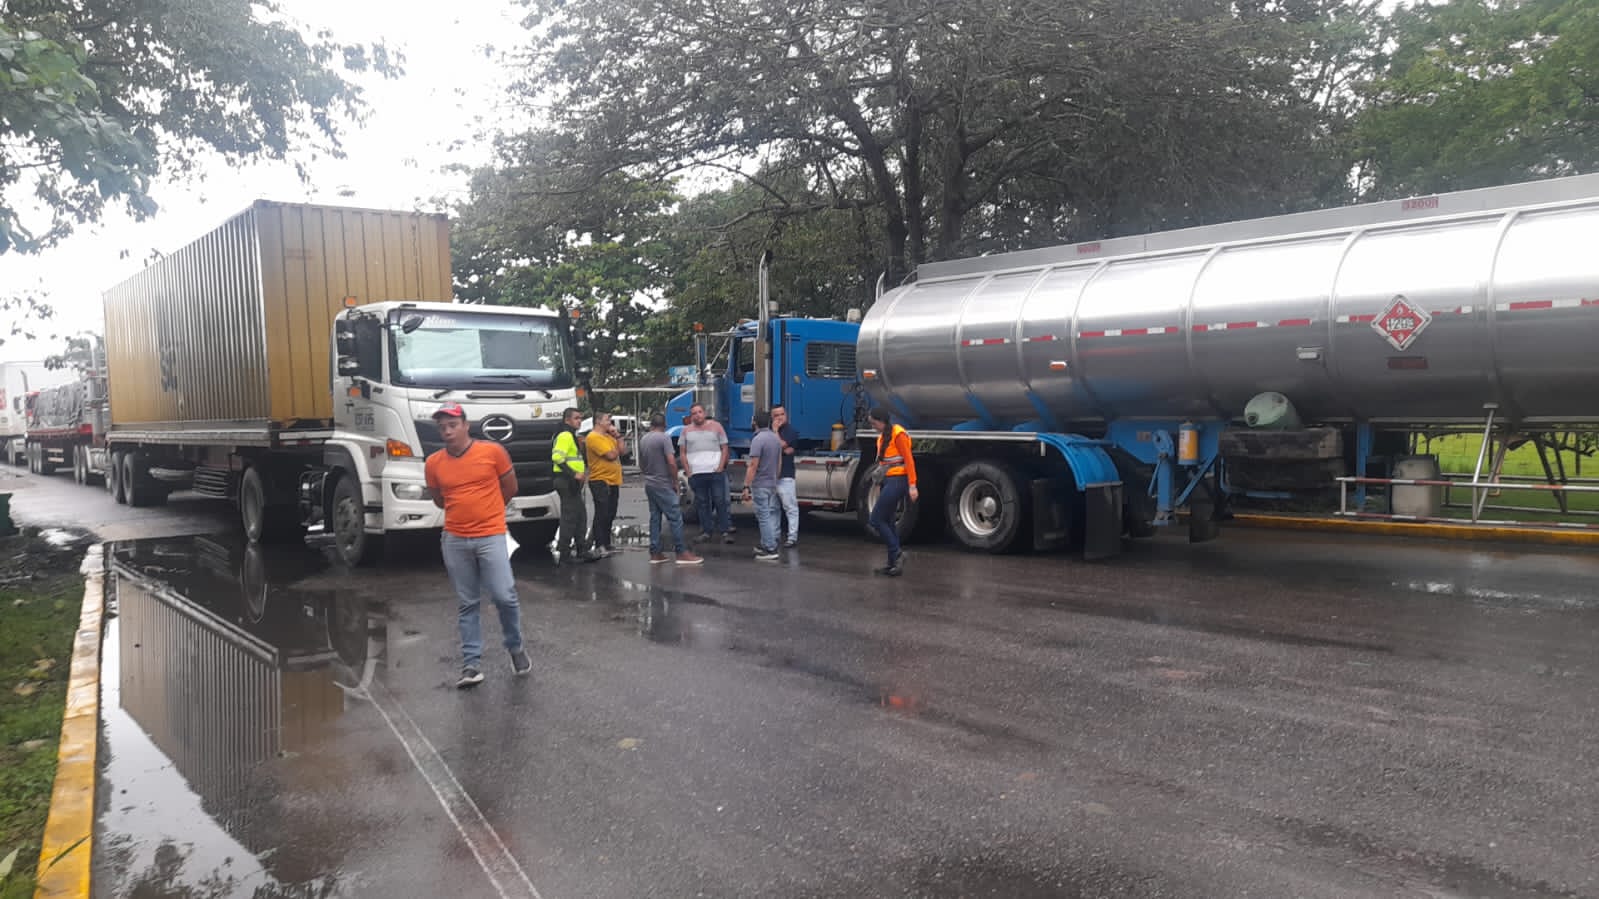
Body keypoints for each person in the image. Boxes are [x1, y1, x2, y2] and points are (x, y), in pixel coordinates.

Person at [423, 401, 531, 688]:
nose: (447, 431)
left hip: (491, 535)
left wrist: (490, 511)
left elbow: (510, 487)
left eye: (453, 425)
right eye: (442, 427)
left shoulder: (492, 452)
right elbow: (438, 499)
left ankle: (515, 647)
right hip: (455, 539)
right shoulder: (434, 463)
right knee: (468, 602)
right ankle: (471, 665)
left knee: (504, 595)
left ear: (465, 426)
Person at [640, 412, 703, 565]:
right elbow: (672, 462)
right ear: (664, 426)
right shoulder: (664, 438)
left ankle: (655, 553)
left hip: (650, 484)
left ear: (651, 425)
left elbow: (641, 462)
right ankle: (681, 552)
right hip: (663, 484)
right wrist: (675, 481)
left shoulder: (643, 439)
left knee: (655, 517)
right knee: (675, 517)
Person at [867, 406, 917, 576]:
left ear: (881, 421)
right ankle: (892, 564)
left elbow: (909, 460)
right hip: (888, 480)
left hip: (898, 480)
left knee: (875, 519)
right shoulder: (882, 437)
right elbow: (883, 463)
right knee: (888, 521)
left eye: (874, 423)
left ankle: (897, 553)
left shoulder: (898, 434)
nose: (873, 426)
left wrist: (912, 485)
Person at [551, 406, 600, 563]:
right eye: (576, 418)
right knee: (570, 517)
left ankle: (581, 550)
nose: (580, 421)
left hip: (571, 481)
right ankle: (564, 553)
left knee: (580, 516)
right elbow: (557, 457)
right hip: (566, 481)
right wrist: (574, 474)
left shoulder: (572, 435)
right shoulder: (565, 435)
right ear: (567, 420)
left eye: (580, 418)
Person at [679, 403, 733, 544]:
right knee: (703, 503)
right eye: (694, 413)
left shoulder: (716, 427)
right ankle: (706, 531)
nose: (697, 415)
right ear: (691, 416)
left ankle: (725, 531)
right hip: (696, 474)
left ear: (704, 412)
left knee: (720, 501)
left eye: (699, 412)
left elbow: (725, 448)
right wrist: (689, 472)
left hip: (715, 472)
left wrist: (721, 466)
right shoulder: (686, 431)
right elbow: (682, 453)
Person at [741, 409, 783, 561]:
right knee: (769, 515)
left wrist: (746, 485)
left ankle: (770, 549)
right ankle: (767, 543)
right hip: (771, 483)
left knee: (763, 517)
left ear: (755, 422)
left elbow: (753, 465)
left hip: (760, 484)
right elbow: (779, 463)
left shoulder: (758, 440)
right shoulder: (775, 439)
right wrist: (775, 479)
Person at [585, 412, 624, 556]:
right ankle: (599, 545)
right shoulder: (593, 437)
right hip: (600, 480)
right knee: (602, 513)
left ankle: (607, 543)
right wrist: (616, 448)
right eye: (607, 419)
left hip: (613, 480)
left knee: (610, 513)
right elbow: (612, 455)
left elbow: (622, 451)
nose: (610, 422)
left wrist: (618, 436)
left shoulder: (608, 437)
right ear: (598, 421)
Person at [771, 404, 800, 547]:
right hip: (771, 477)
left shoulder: (791, 431)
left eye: (781, 414)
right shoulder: (767, 432)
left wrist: (775, 432)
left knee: (790, 507)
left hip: (786, 476)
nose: (779, 418)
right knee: (773, 508)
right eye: (776, 415)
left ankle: (792, 537)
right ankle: (774, 536)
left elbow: (781, 445)